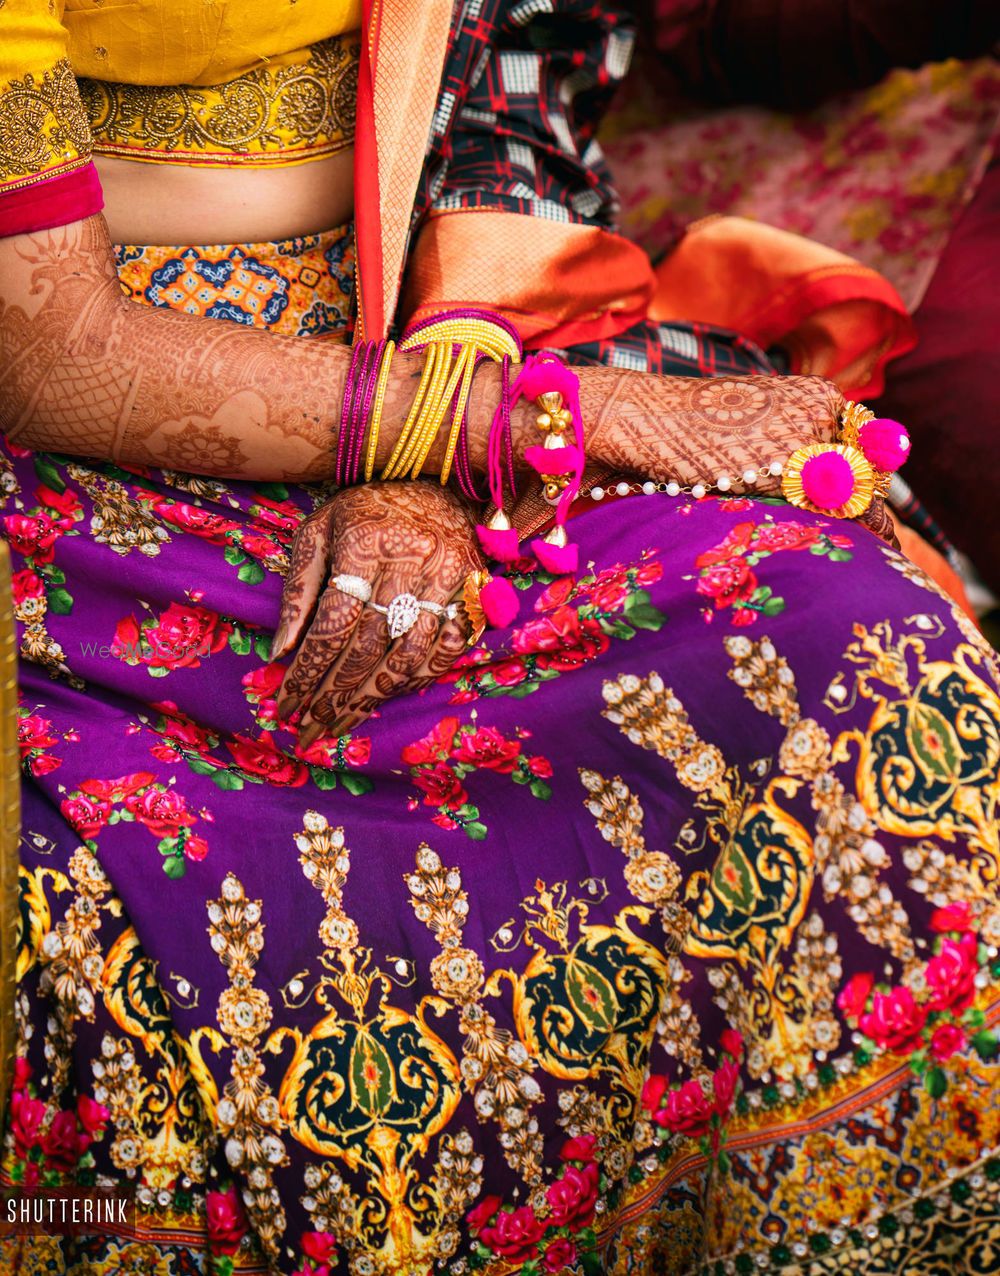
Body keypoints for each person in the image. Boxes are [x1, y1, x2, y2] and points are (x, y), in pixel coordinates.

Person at [1, 2, 998, 1274]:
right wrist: (503, 425)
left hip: (424, 347)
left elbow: (501, 93)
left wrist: (450, 398)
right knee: (96, 909)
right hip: (89, 469)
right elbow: (56, 359)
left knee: (845, 638)